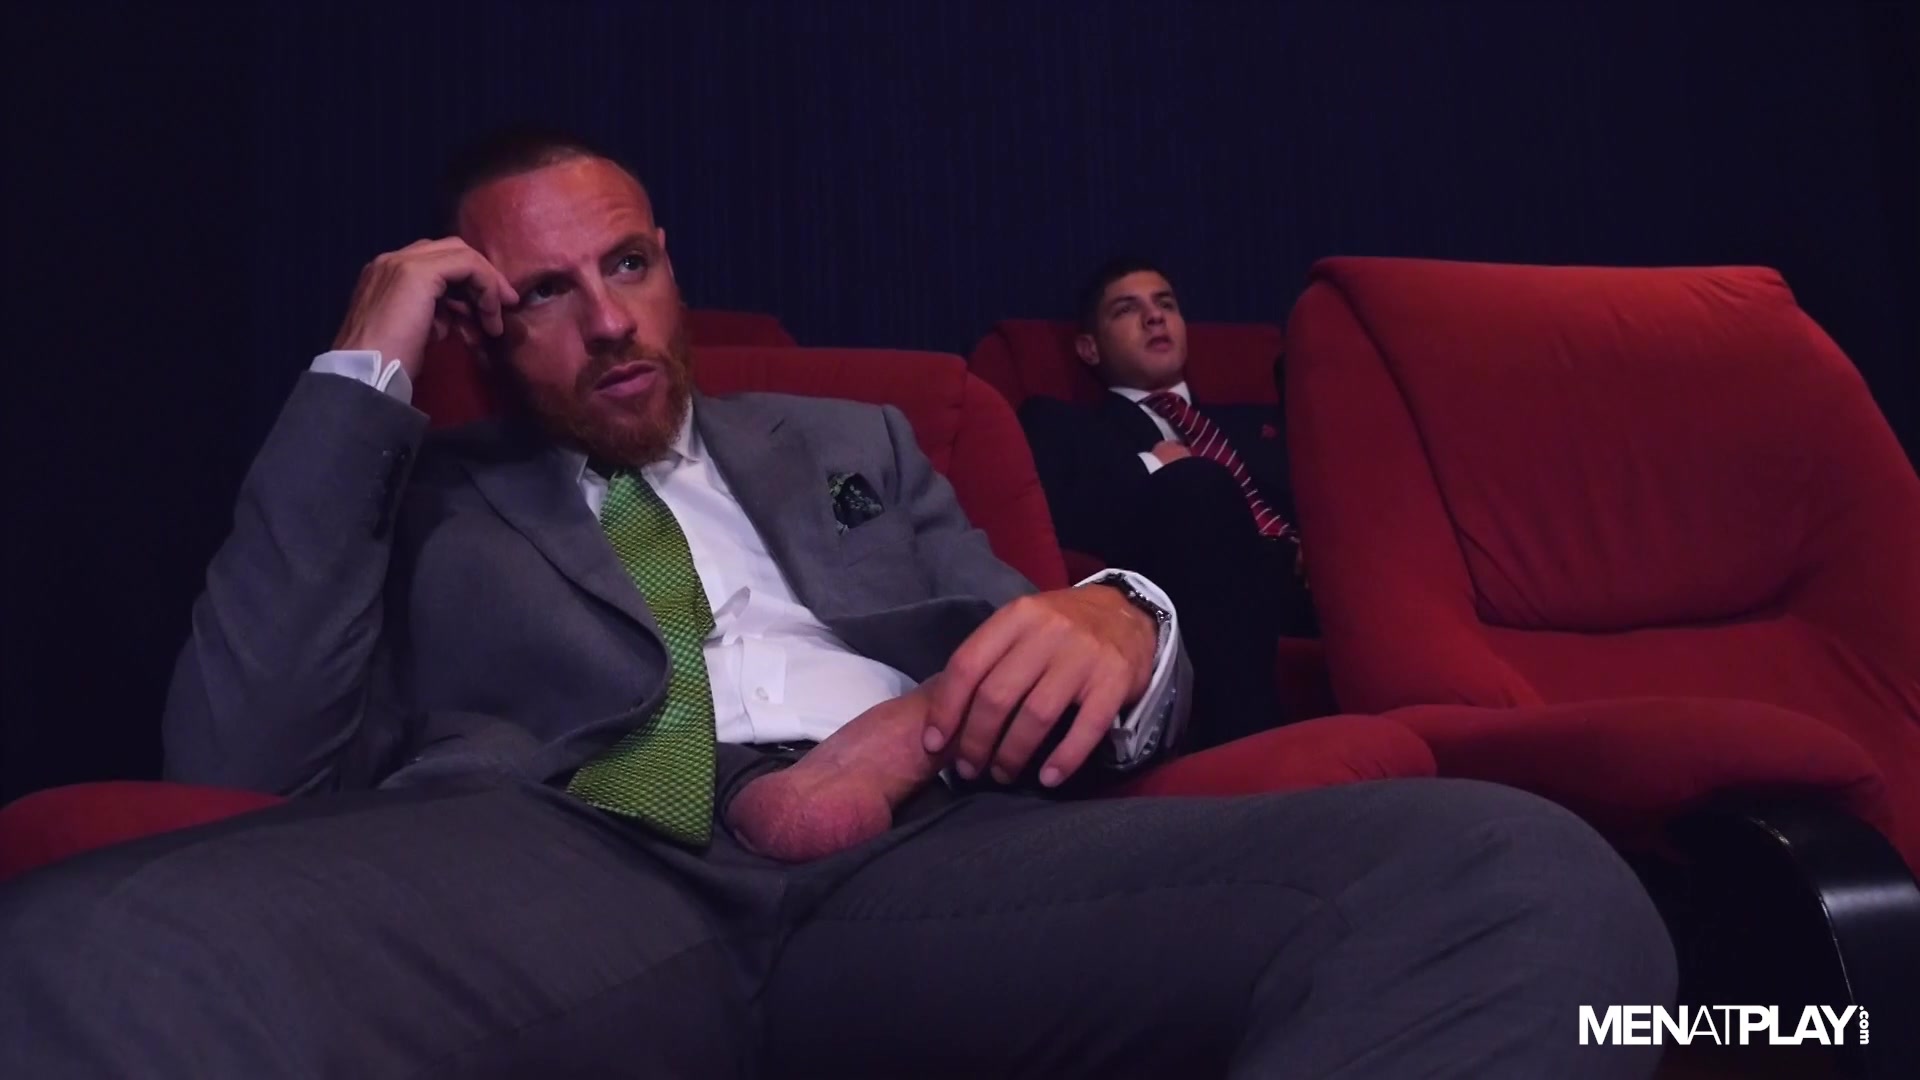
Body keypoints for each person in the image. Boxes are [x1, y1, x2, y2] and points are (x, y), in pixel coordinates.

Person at [0, 130, 1674, 1079]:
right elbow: (233, 759)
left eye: (630, 264)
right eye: (545, 293)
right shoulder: (418, 496)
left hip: (934, 855)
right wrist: (363, 371)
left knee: (1511, 875)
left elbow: (1035, 645)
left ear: (674, 259)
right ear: (480, 326)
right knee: (92, 952)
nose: (610, 321)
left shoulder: (864, 437)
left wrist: (1124, 619)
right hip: (558, 866)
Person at [1019, 259, 1314, 748]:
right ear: (1089, 348)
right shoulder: (1063, 426)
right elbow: (1059, 512)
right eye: (1126, 309)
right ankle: (1250, 752)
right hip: (1190, 589)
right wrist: (1159, 468)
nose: (1154, 317)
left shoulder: (1261, 422)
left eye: (1166, 305)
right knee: (1198, 484)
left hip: (1316, 584)